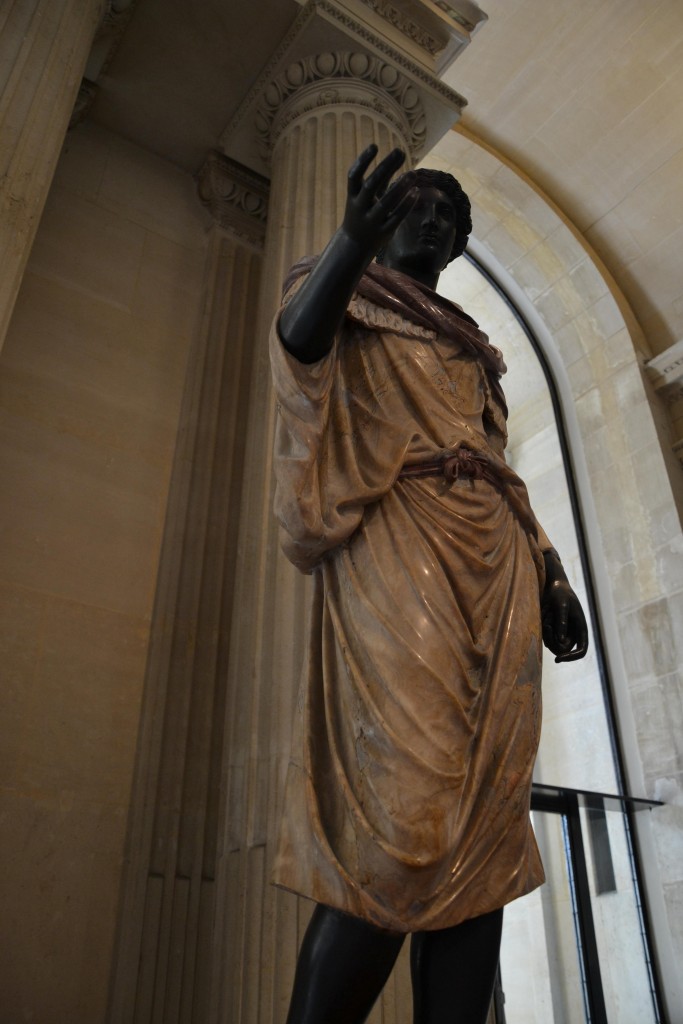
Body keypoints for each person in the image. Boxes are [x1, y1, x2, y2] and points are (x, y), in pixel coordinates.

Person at [269, 146, 588, 1024]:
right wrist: (346, 244)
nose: (433, 219)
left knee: (483, 833)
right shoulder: (344, 294)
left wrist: (552, 570)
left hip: (498, 565)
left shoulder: (474, 353)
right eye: (414, 205)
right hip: (400, 544)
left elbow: (499, 468)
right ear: (381, 222)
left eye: (448, 213)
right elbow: (298, 344)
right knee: (402, 823)